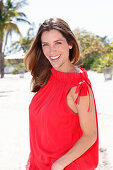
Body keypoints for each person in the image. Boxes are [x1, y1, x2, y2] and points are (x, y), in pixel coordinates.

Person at [24, 18, 99, 170]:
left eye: (58, 43)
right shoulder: (47, 77)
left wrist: (58, 165)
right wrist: (32, 158)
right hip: (38, 165)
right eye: (46, 45)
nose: (52, 51)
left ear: (70, 43)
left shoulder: (79, 87)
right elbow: (42, 128)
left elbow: (90, 135)